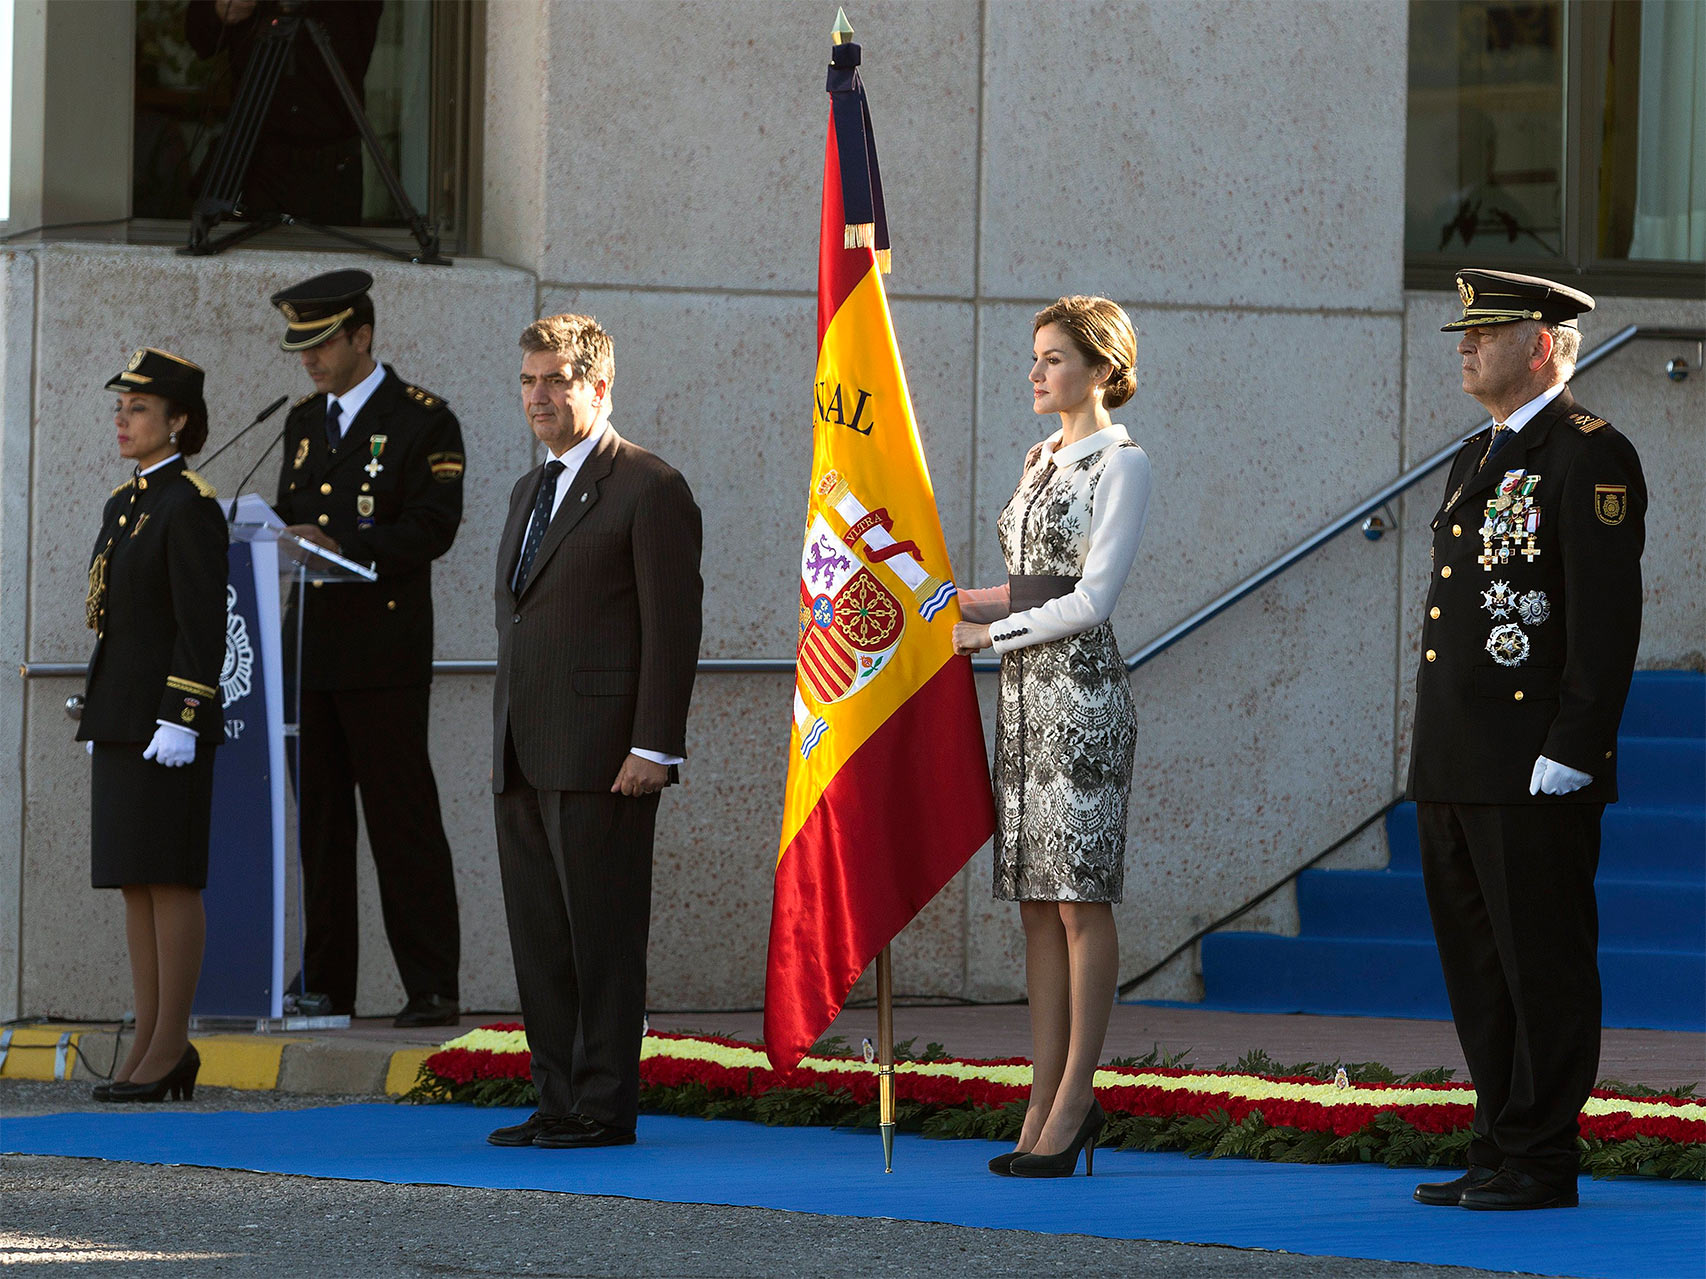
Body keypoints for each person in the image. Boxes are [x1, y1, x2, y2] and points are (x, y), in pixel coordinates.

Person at [1409, 269, 1646, 1211]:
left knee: (1540, 961)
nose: (1465, 346)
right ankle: (1497, 1142)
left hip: (1538, 763)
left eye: (1486, 332)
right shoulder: (1481, 452)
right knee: (1478, 963)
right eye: (1464, 333)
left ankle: (1542, 1156)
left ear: (1541, 344)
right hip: (1458, 755)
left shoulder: (1590, 453)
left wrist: (1576, 744)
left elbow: (1605, 620)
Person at [487, 314, 702, 1151]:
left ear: (600, 388)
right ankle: (557, 1097)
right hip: (523, 746)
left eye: (558, 382)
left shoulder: (649, 486)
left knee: (601, 938)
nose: (540, 397)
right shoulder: (528, 489)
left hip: (606, 754)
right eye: (529, 382)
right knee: (541, 935)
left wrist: (655, 744)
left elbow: (671, 627)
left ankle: (604, 1106)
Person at [952, 296, 1152, 1178]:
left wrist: (985, 637)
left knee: (1079, 899)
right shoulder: (1039, 457)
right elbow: (1028, 588)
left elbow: (1090, 600)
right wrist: (948, 601)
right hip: (1024, 699)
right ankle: (1040, 1099)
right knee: (1035, 902)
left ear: (1102, 369)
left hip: (1082, 696)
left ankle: (1075, 1101)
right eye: (1035, 356)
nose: (1036, 373)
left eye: (1055, 358)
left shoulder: (1124, 461)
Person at [271, 268, 465, 1027]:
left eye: (323, 344)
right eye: (303, 348)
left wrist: (344, 542)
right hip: (308, 654)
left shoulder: (423, 419)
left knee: (401, 819)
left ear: (362, 336)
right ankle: (327, 983)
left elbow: (434, 525)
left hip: (383, 655)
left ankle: (432, 984)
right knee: (320, 824)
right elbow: (290, 515)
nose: (311, 360)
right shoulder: (300, 422)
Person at [78, 348, 228, 1103]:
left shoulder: (189, 505)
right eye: (121, 406)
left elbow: (202, 625)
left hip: (167, 720)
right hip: (121, 715)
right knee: (135, 880)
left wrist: (184, 714)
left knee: (170, 876)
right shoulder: (126, 502)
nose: (124, 419)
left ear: (179, 421)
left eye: (139, 408)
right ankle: (148, 1039)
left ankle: (171, 1045)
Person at [185, 0, 384, 226]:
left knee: (334, 257)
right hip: (253, 161)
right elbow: (198, 36)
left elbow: (358, 34)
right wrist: (219, 10)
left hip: (330, 163)